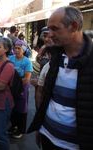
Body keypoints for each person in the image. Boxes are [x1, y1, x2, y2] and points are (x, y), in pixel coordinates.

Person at [28, 6, 93, 149]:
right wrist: (40, 127)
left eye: (55, 28)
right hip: (47, 137)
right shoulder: (56, 57)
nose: (49, 34)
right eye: (48, 28)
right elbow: (47, 96)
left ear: (74, 26)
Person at [9, 39, 33, 139]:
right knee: (13, 107)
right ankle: (13, 126)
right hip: (11, 88)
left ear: (23, 49)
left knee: (22, 109)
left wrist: (14, 84)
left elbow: (27, 79)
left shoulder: (27, 61)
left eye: (19, 48)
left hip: (22, 88)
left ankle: (21, 129)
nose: (17, 50)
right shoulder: (10, 58)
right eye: (15, 48)